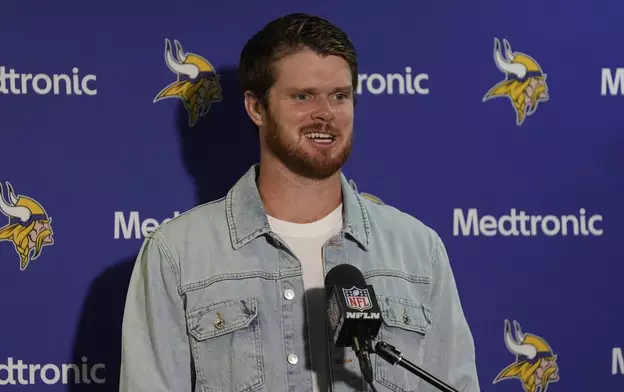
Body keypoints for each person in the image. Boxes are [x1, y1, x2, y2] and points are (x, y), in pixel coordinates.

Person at [119, 12, 480, 392]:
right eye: (303, 96)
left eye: (340, 96)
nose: (326, 114)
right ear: (256, 108)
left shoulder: (419, 252)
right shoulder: (177, 255)